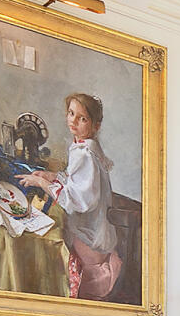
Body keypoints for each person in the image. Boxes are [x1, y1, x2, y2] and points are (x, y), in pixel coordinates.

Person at [18, 92, 125, 301]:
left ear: (96, 126)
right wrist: (51, 176)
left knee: (48, 244)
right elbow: (75, 180)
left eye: (82, 118)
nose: (73, 121)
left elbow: (76, 200)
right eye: (71, 113)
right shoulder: (84, 146)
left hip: (90, 238)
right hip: (91, 230)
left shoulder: (86, 154)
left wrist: (41, 183)